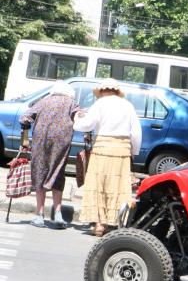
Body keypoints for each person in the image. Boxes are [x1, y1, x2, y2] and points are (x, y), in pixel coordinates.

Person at [73, 78, 141, 236]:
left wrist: (77, 119)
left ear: (102, 91)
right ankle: (114, 223)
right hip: (122, 151)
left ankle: (99, 224)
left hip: (102, 148)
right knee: (117, 187)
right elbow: (136, 133)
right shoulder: (128, 105)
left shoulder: (99, 104)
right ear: (117, 91)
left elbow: (86, 125)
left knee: (99, 186)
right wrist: (133, 152)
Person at [19, 81, 80, 228]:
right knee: (57, 173)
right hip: (61, 143)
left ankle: (39, 215)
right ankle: (58, 214)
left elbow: (24, 118)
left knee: (40, 172)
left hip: (41, 142)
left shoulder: (43, 101)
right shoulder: (72, 102)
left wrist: (25, 136)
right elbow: (80, 117)